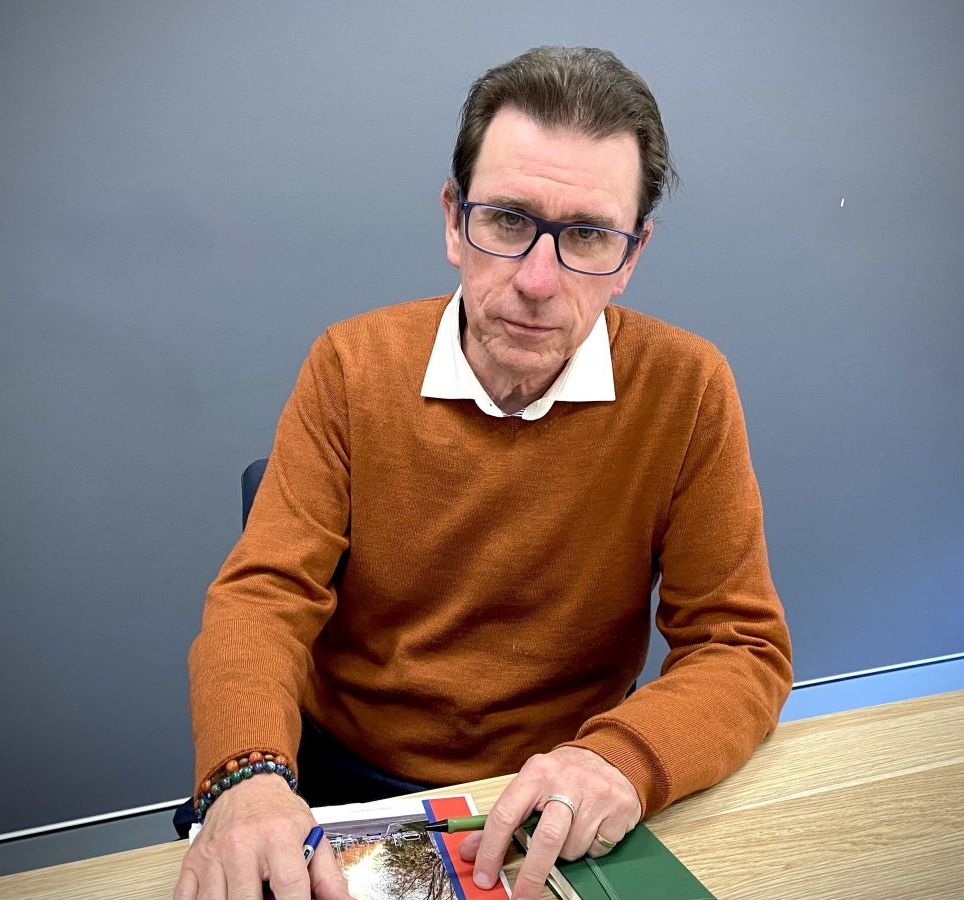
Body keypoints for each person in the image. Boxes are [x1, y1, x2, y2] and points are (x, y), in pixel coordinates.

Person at [174, 46, 792, 900]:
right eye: (507, 220)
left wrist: (619, 759)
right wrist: (246, 779)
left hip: (553, 795)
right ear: (454, 223)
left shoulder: (687, 388)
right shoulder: (351, 364)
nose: (539, 281)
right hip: (342, 786)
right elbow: (261, 598)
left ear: (633, 253)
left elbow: (741, 644)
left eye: (586, 235)